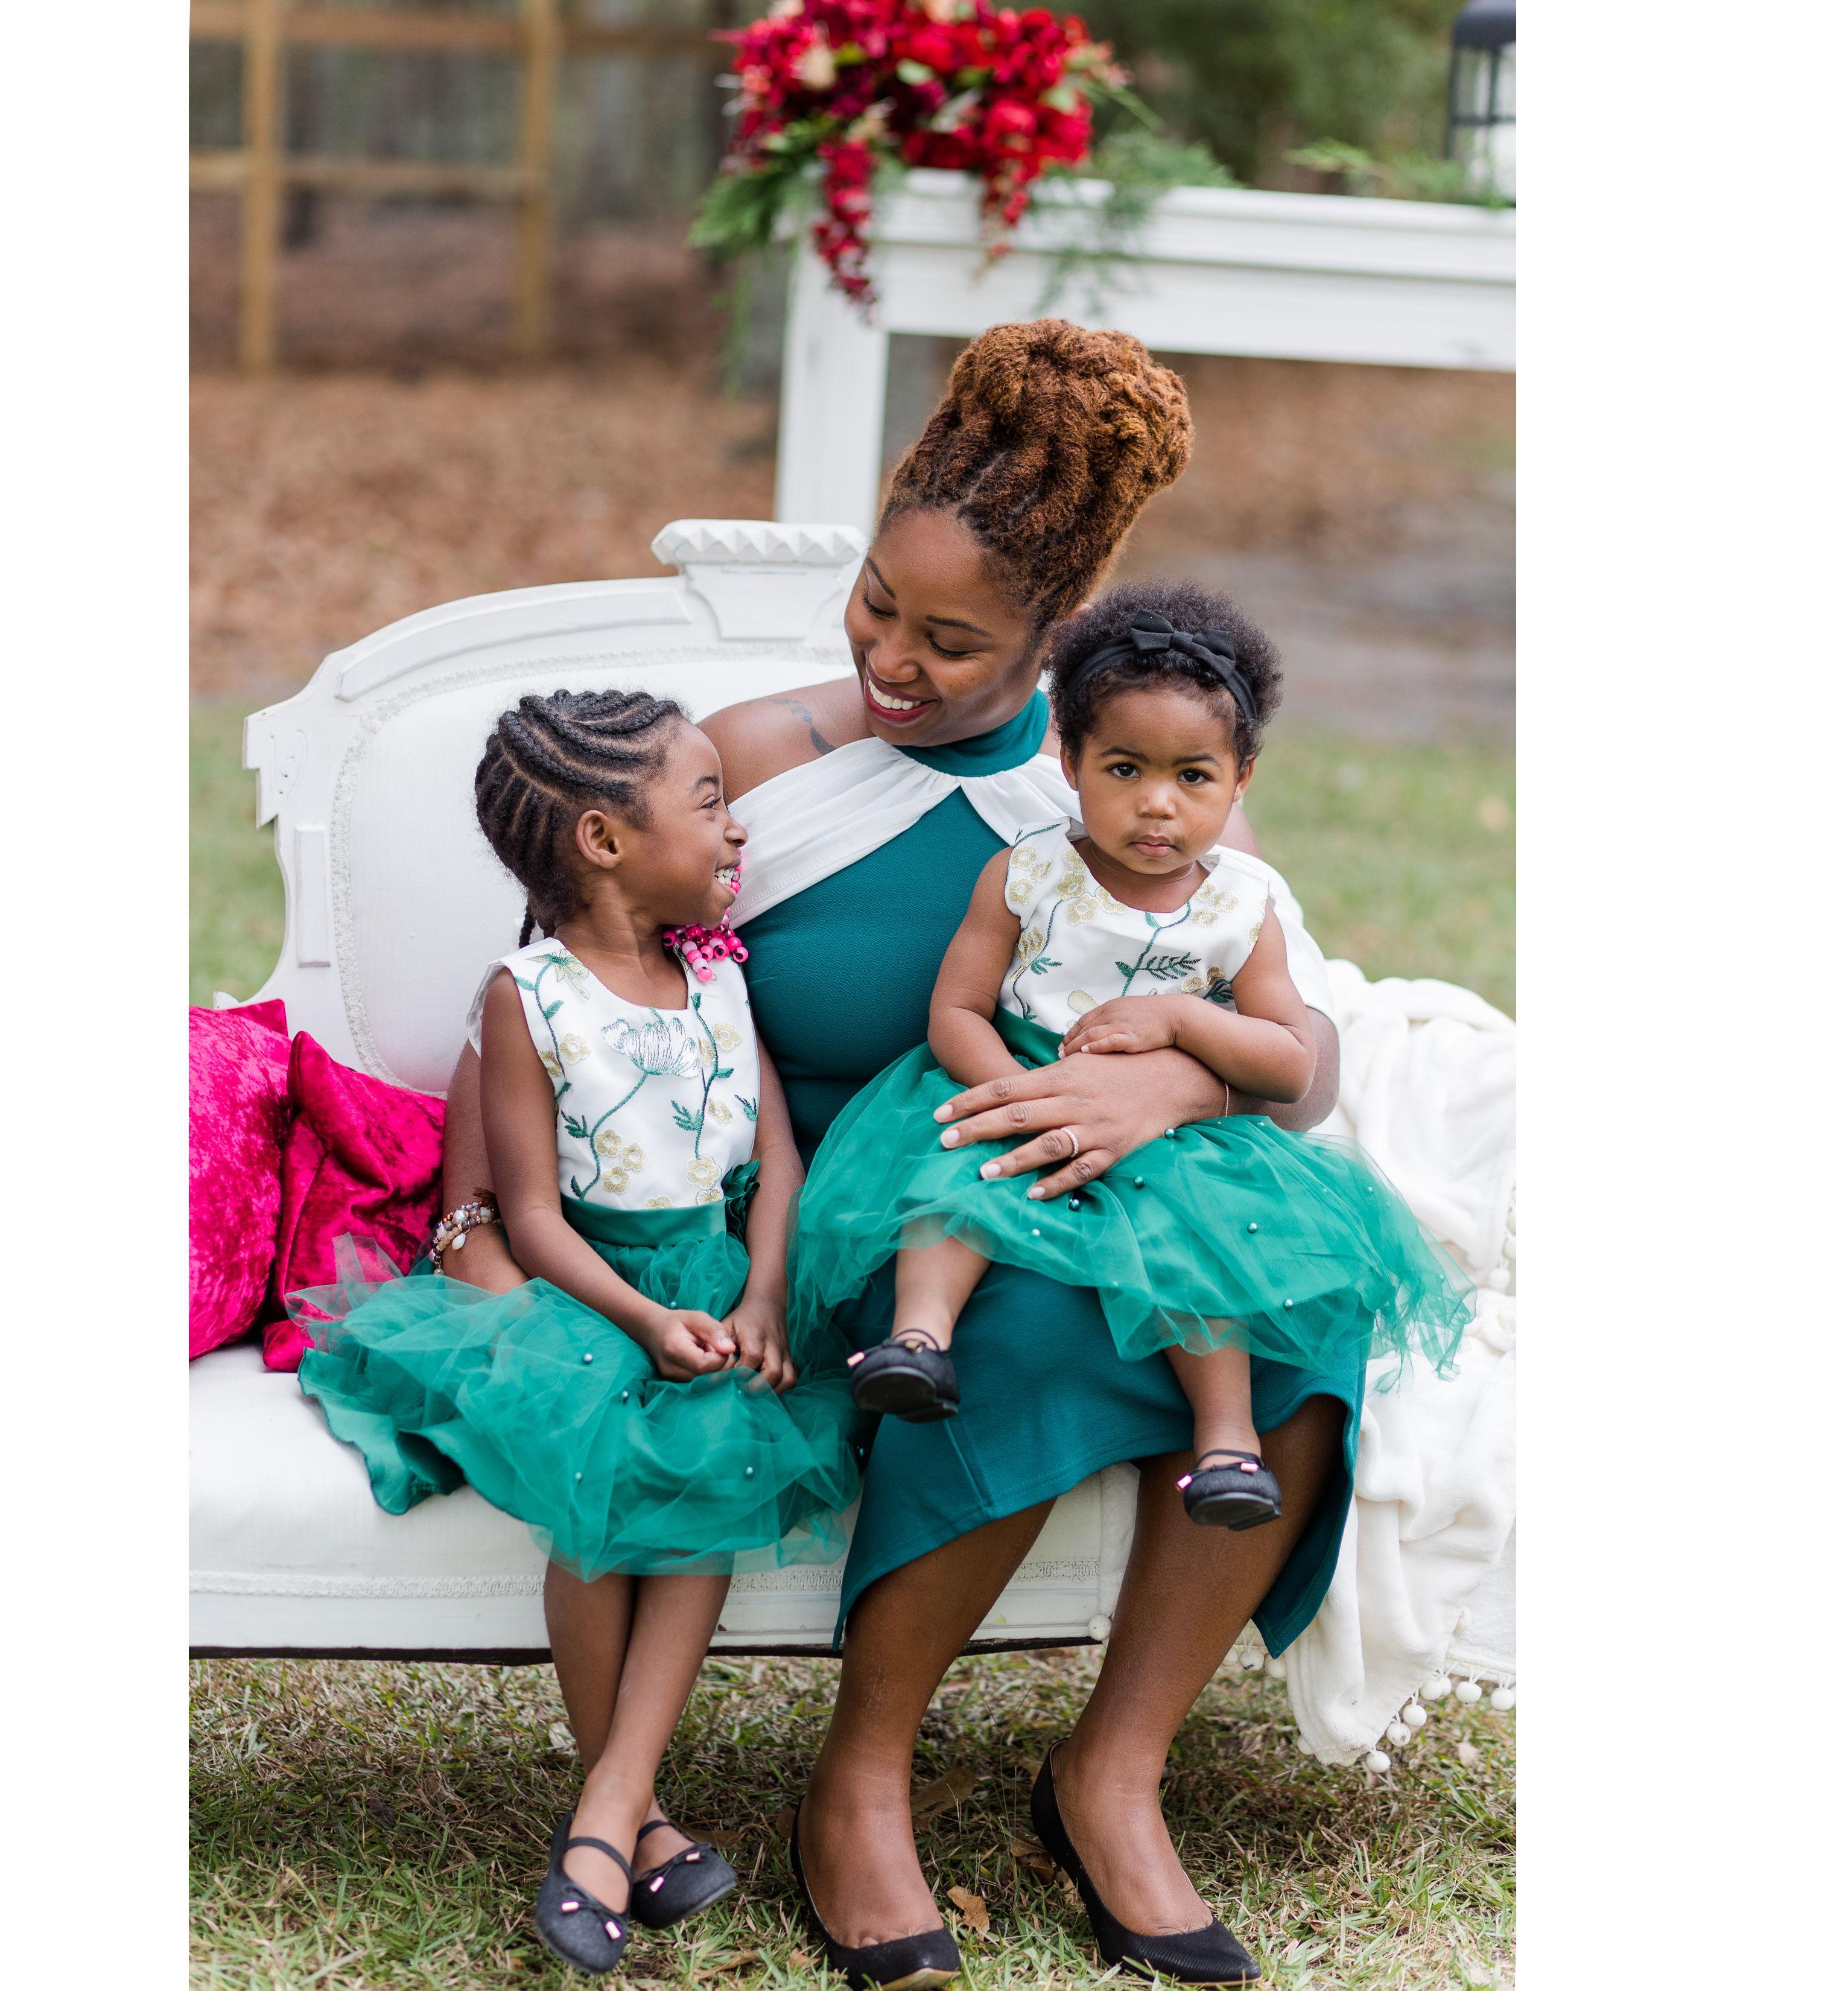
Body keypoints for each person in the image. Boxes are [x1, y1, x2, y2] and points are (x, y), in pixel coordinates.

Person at [439, 321, 1359, 1989]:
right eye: (875, 604)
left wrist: (1172, 1089)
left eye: (952, 640)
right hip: (840, 1204)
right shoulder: (757, 762)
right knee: (1009, 1326)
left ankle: (1113, 1773)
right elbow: (551, 982)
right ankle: (861, 1776)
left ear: (1054, 642)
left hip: (1095, 1167)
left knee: (1304, 1310)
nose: (890, 657)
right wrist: (474, 1215)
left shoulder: (1122, 786)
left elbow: (1294, 1047)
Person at [288, 690, 859, 1977]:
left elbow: (774, 1157)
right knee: (598, 1472)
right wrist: (644, 1320)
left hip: (719, 1279)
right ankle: (630, 1818)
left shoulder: (722, 974)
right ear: (605, 841)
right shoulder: (528, 997)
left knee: (712, 1459)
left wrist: (763, 1296)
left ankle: (610, 1812)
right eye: (710, 802)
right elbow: (532, 1215)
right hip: (589, 1291)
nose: (737, 828)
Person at [787, 580, 1472, 1534]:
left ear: (1241, 779)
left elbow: (1289, 1063)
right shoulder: (1029, 872)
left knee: (1205, 1247)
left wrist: (1184, 1023)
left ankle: (1227, 1443)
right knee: (954, 1184)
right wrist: (1018, 1094)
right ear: (1069, 760)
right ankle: (919, 1341)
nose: (1157, 804)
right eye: (1123, 769)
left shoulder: (1240, 909)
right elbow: (957, 1010)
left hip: (1171, 1131)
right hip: (1018, 1076)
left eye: (1193, 777)